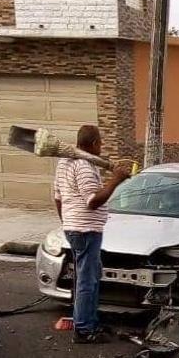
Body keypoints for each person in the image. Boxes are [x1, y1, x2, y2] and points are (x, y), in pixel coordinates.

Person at [53, 125, 132, 344]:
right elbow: (93, 201)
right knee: (87, 280)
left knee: (88, 276)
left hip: (75, 227)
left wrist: (67, 223)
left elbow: (57, 197)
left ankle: (88, 320)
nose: (102, 146)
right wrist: (115, 179)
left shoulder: (64, 162)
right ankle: (85, 329)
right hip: (86, 230)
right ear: (95, 143)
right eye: (101, 142)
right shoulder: (84, 166)